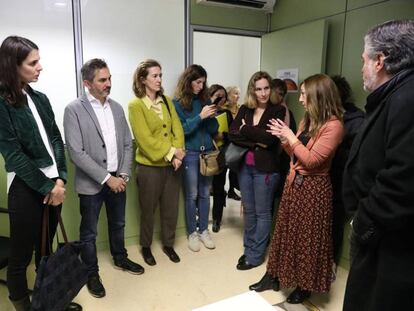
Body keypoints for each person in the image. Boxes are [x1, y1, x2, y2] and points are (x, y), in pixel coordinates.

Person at [0, 36, 81, 311]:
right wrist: (48, 187)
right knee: (20, 257)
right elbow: (14, 156)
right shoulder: (2, 103)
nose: (40, 67)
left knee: (45, 249)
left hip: (53, 184)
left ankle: (47, 301)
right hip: (25, 188)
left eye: (39, 61)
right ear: (13, 66)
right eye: (33, 62)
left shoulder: (40, 98)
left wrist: (60, 179)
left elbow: (56, 140)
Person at [250, 74, 344, 304]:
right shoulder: (308, 120)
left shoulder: (334, 126)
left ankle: (304, 285)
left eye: (303, 94)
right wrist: (283, 137)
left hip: (314, 190)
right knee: (285, 233)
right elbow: (296, 155)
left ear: (318, 96)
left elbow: (312, 161)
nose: (300, 99)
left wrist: (290, 136)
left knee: (308, 240)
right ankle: (274, 276)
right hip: (295, 185)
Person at [342, 20, 414, 311]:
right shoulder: (395, 95)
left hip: (390, 244)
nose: (361, 68)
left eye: (363, 60)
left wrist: (363, 225)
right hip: (382, 238)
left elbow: (402, 179)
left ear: (379, 61)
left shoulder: (407, 99)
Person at [64, 58, 144, 299]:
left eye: (109, 78)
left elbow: (128, 144)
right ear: (87, 83)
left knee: (118, 223)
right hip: (92, 184)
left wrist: (123, 174)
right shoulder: (74, 110)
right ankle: (90, 272)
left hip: (119, 180)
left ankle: (120, 258)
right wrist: (107, 179)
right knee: (89, 232)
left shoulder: (117, 108)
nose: (109, 83)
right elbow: (76, 152)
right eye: (103, 80)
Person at [128, 59, 185, 266]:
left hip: (172, 167)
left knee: (170, 209)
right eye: (155, 76)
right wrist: (172, 154)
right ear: (143, 80)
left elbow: (177, 129)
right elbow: (144, 141)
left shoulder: (167, 101)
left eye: (160, 75)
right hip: (149, 168)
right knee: (148, 210)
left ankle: (168, 245)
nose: (159, 79)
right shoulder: (136, 105)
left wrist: (179, 155)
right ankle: (146, 246)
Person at [229, 71, 286, 270]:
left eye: (266, 88)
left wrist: (246, 130)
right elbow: (232, 133)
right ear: (252, 90)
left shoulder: (278, 110)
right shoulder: (245, 108)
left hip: (266, 170)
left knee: (262, 213)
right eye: (258, 89)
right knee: (250, 211)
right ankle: (248, 249)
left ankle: (255, 256)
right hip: (245, 167)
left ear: (270, 89)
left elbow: (270, 139)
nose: (263, 93)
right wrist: (256, 138)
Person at [173, 64, 218, 252]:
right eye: (198, 82)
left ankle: (204, 230)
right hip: (190, 154)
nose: (201, 86)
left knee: (205, 194)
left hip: (207, 153)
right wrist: (200, 117)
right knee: (191, 195)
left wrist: (210, 117)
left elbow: (213, 129)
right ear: (188, 81)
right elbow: (181, 131)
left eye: (203, 82)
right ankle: (192, 232)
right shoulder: (177, 103)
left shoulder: (204, 100)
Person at [329, 75, 364, 266]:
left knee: (334, 228)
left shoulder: (356, 120)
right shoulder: (324, 117)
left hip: (339, 184)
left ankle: (330, 266)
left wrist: (330, 150)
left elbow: (356, 157)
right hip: (323, 181)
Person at [209, 84, 232, 233]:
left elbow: (234, 135)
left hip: (221, 154)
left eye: (223, 97)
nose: (221, 99)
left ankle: (217, 219)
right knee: (202, 189)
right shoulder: (203, 111)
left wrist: (223, 136)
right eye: (218, 96)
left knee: (218, 187)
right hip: (204, 154)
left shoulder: (227, 114)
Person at [270, 78, 297, 200]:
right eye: (277, 93)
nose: (280, 97)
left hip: (279, 161)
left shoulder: (287, 113)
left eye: (282, 94)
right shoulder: (261, 110)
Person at [224, 86, 241, 200]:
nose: (238, 96)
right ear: (228, 95)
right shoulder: (223, 109)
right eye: (235, 93)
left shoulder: (241, 109)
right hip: (224, 141)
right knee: (223, 167)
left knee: (234, 169)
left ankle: (232, 190)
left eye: (238, 94)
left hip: (237, 142)